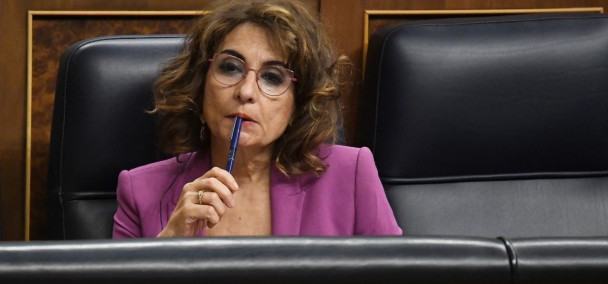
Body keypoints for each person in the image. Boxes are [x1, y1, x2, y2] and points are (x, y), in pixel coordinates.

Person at [113, 0, 402, 238]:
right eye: (230, 68)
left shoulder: (351, 175)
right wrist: (167, 247)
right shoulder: (140, 192)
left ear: (297, 103)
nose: (246, 91)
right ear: (200, 85)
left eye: (273, 77)